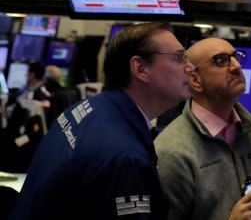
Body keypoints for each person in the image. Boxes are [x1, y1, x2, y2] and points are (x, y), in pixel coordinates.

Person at [10, 23, 194, 220]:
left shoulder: (87, 109)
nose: (190, 66)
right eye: (179, 57)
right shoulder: (127, 157)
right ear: (141, 68)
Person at [155, 37, 251, 220]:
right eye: (221, 60)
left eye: (236, 57)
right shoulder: (170, 152)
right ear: (195, 80)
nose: (236, 66)